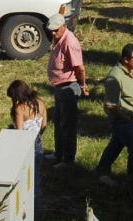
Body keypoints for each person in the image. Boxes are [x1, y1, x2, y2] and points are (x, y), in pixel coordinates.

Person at [96, 43, 133, 187]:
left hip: (131, 119)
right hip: (123, 121)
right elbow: (110, 105)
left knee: (116, 145)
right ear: (125, 60)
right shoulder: (114, 78)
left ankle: (101, 171)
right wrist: (125, 118)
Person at [47, 15, 87, 167]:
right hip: (59, 87)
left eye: (55, 30)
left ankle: (68, 159)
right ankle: (58, 153)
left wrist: (82, 84)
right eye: (50, 30)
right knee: (58, 121)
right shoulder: (58, 38)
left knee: (68, 125)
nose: (52, 33)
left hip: (68, 87)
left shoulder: (70, 42)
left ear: (63, 26)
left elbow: (80, 68)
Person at [7, 80, 47, 205]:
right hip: (37, 143)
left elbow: (19, 132)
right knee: (35, 180)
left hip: (24, 146)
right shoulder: (40, 103)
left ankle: (25, 207)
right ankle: (38, 209)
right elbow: (44, 124)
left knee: (23, 179)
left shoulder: (20, 108)